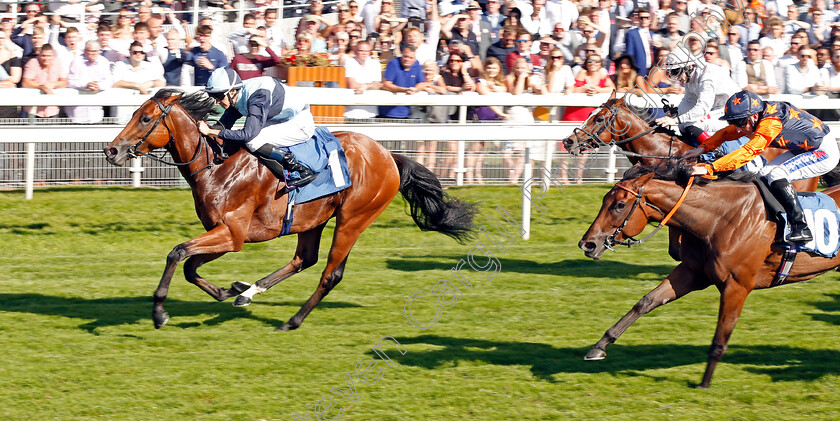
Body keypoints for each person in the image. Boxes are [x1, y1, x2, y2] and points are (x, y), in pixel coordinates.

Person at [687, 90, 840, 243]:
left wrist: (710, 168)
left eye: (740, 122)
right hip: (803, 149)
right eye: (733, 122)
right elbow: (728, 133)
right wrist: (704, 147)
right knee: (763, 173)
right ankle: (776, 222)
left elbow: (747, 153)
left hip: (823, 151)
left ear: (753, 117)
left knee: (777, 175)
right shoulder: (756, 116)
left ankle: (801, 227)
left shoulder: (770, 124)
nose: (738, 128)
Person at [198, 67, 317, 188]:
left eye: (218, 96)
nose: (216, 102)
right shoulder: (237, 94)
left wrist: (210, 131)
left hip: (299, 123)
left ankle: (300, 171)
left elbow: (247, 135)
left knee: (253, 141)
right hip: (283, 118)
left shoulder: (257, 97)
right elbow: (223, 124)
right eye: (213, 96)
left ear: (232, 91)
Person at [654, 46, 739, 147]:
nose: (675, 78)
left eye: (676, 72)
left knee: (692, 125)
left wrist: (676, 120)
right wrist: (677, 113)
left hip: (732, 111)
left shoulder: (708, 76)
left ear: (689, 67)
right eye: (671, 73)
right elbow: (689, 100)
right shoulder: (689, 76)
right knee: (682, 125)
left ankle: (714, 151)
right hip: (717, 108)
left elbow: (702, 108)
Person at [66, 40, 113, 124]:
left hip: (96, 112)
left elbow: (109, 81)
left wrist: (98, 86)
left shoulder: (104, 62)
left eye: (96, 51)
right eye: (91, 51)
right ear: (85, 51)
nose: (94, 53)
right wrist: (86, 85)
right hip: (77, 112)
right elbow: (70, 82)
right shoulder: (77, 61)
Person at [380, 44, 428, 119]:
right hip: (388, 112)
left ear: (414, 59)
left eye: (410, 57)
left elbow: (421, 83)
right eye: (405, 56)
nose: (407, 59)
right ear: (402, 54)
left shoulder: (417, 65)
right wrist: (404, 90)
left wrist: (415, 89)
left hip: (407, 112)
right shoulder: (393, 63)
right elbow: (386, 84)